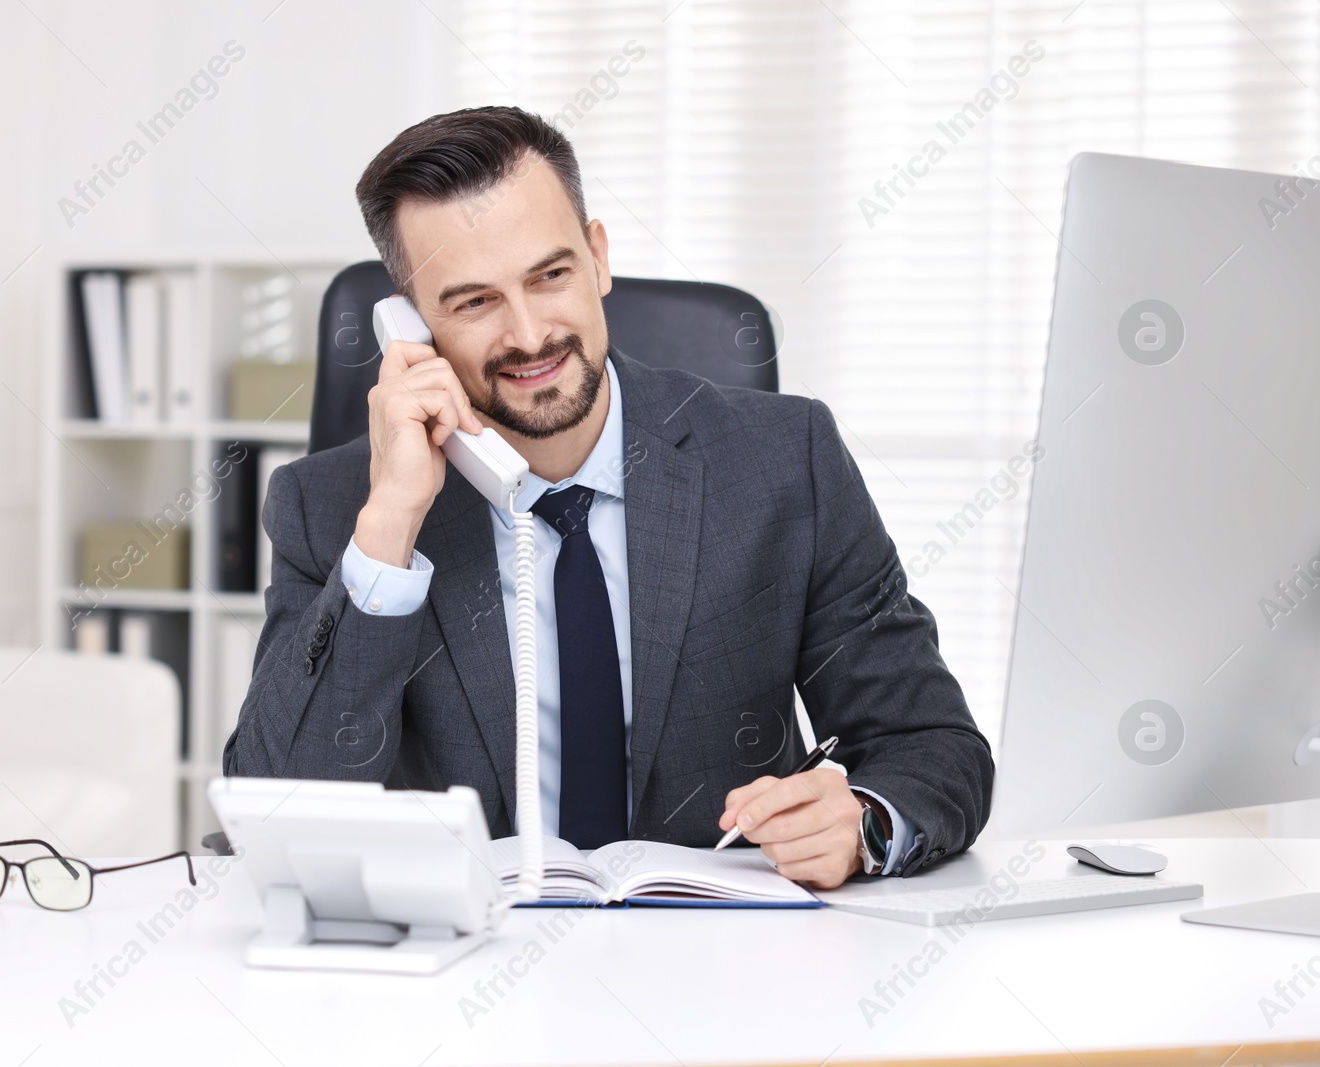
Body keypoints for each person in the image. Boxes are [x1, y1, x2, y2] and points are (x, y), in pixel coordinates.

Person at [224, 106, 992, 887]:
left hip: (727, 973)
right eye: (474, 302)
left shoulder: (784, 462)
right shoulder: (328, 508)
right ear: (412, 326)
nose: (528, 335)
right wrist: (390, 526)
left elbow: (935, 745)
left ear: (597, 258)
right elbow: (275, 819)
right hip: (461, 976)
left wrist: (861, 821)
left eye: (550, 275)